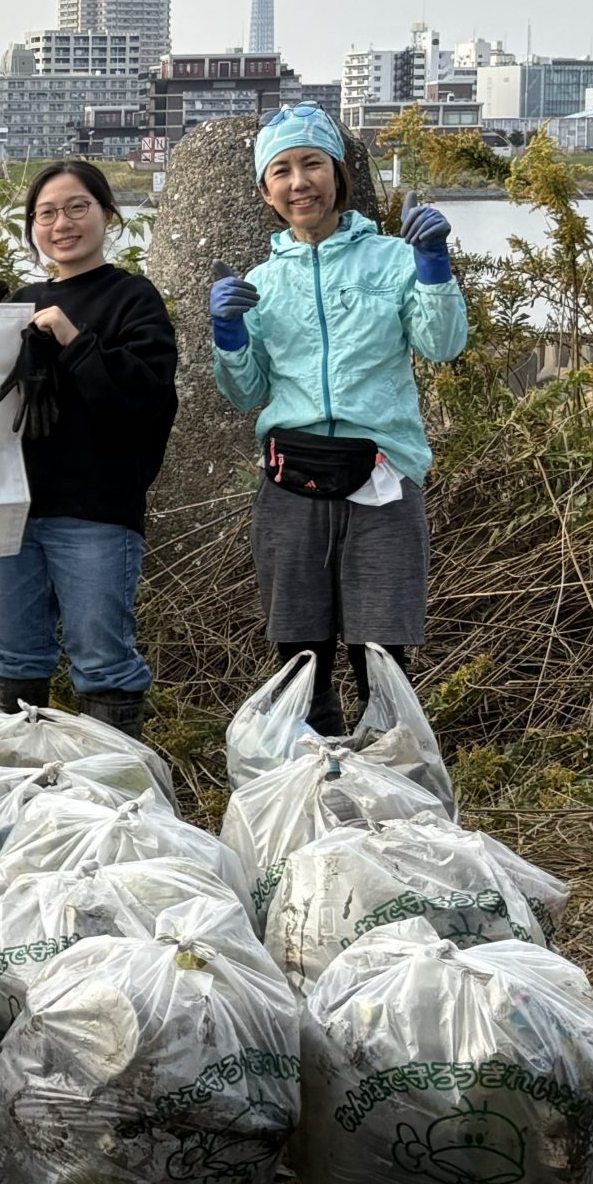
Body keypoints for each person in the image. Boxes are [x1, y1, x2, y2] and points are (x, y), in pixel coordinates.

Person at [210, 100, 466, 736]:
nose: (300, 183)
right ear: (265, 192)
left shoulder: (391, 258)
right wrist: (229, 335)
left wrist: (433, 267)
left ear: (338, 172)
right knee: (300, 648)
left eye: (312, 164)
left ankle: (392, 770)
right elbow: (248, 394)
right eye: (283, 172)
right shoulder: (263, 281)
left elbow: (442, 345)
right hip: (290, 474)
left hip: (383, 470)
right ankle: (309, 774)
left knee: (382, 648)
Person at [0, 159, 177, 734]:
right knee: (14, 659)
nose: (62, 223)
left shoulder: (134, 297)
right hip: (12, 513)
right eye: (46, 213)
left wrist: (75, 339)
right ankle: (24, 790)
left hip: (97, 513)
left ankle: (111, 792)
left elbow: (144, 401)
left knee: (103, 663)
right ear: (31, 227)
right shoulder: (25, 299)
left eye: (78, 207)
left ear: (107, 214)